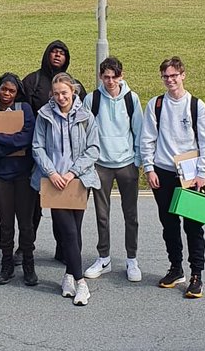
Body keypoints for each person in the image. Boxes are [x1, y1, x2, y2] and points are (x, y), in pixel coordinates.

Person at [140, 56, 205, 300]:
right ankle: (176, 268)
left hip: (191, 174)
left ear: (183, 75)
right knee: (169, 225)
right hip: (163, 172)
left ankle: (196, 275)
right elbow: (147, 138)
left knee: (193, 226)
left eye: (174, 75)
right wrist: (149, 168)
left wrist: (202, 173)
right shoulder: (156, 104)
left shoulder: (196, 106)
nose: (170, 80)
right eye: (166, 76)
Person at [31, 72, 101, 306]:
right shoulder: (44, 115)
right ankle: (82, 283)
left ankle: (69, 275)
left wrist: (73, 173)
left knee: (76, 230)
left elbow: (93, 149)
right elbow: (37, 147)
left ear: (73, 92)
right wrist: (52, 173)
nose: (61, 97)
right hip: (53, 182)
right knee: (67, 231)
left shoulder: (86, 116)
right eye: (57, 93)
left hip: (79, 180)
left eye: (65, 93)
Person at [82, 57, 144, 282]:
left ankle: (131, 259)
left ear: (121, 76)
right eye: (106, 77)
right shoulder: (92, 99)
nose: (110, 81)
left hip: (127, 163)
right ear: (100, 76)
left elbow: (139, 130)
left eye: (114, 77)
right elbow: (86, 132)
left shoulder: (131, 99)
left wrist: (137, 160)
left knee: (131, 215)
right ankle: (104, 257)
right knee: (102, 215)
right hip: (101, 165)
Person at [22, 40, 83, 255]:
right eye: (54, 52)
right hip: (36, 154)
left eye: (62, 53)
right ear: (47, 55)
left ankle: (64, 248)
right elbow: (23, 115)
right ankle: (26, 248)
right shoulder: (32, 81)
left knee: (64, 206)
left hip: (66, 159)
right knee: (33, 207)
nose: (57, 56)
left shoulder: (75, 85)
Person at [0, 72, 39, 286]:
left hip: (23, 174)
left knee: (26, 222)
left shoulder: (26, 110)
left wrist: (0, 138)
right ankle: (7, 264)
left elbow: (28, 139)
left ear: (17, 93)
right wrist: (14, 147)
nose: (7, 93)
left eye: (11, 90)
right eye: (4, 89)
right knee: (5, 222)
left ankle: (29, 264)